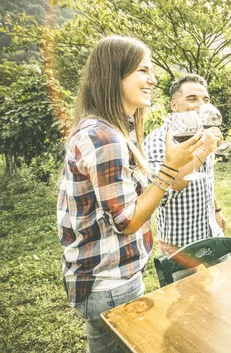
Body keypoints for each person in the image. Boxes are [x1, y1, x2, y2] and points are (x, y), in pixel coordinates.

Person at [57, 36, 205, 352]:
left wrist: (185, 161)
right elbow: (127, 221)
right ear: (115, 75)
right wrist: (168, 168)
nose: (152, 79)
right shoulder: (103, 137)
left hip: (117, 278)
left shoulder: (117, 129)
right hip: (109, 283)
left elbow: (154, 193)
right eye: (142, 70)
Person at [144, 74, 227, 265]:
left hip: (211, 232)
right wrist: (205, 150)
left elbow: (205, 177)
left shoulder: (203, 133)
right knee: (186, 294)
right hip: (180, 243)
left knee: (228, 285)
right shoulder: (158, 140)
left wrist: (216, 209)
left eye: (205, 100)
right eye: (192, 99)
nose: (201, 105)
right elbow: (168, 189)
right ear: (174, 105)